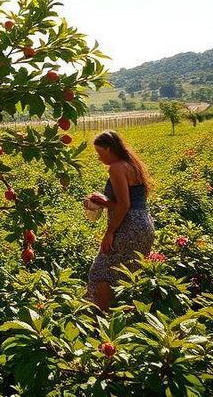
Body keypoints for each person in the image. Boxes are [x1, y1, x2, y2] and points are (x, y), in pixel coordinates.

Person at [85, 130, 155, 311]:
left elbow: (124, 205)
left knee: (99, 273)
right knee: (127, 275)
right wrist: (105, 202)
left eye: (100, 153)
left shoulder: (116, 167)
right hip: (144, 224)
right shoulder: (132, 164)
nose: (99, 158)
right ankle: (128, 316)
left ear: (109, 149)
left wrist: (109, 232)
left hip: (128, 226)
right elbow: (129, 201)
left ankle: (101, 321)